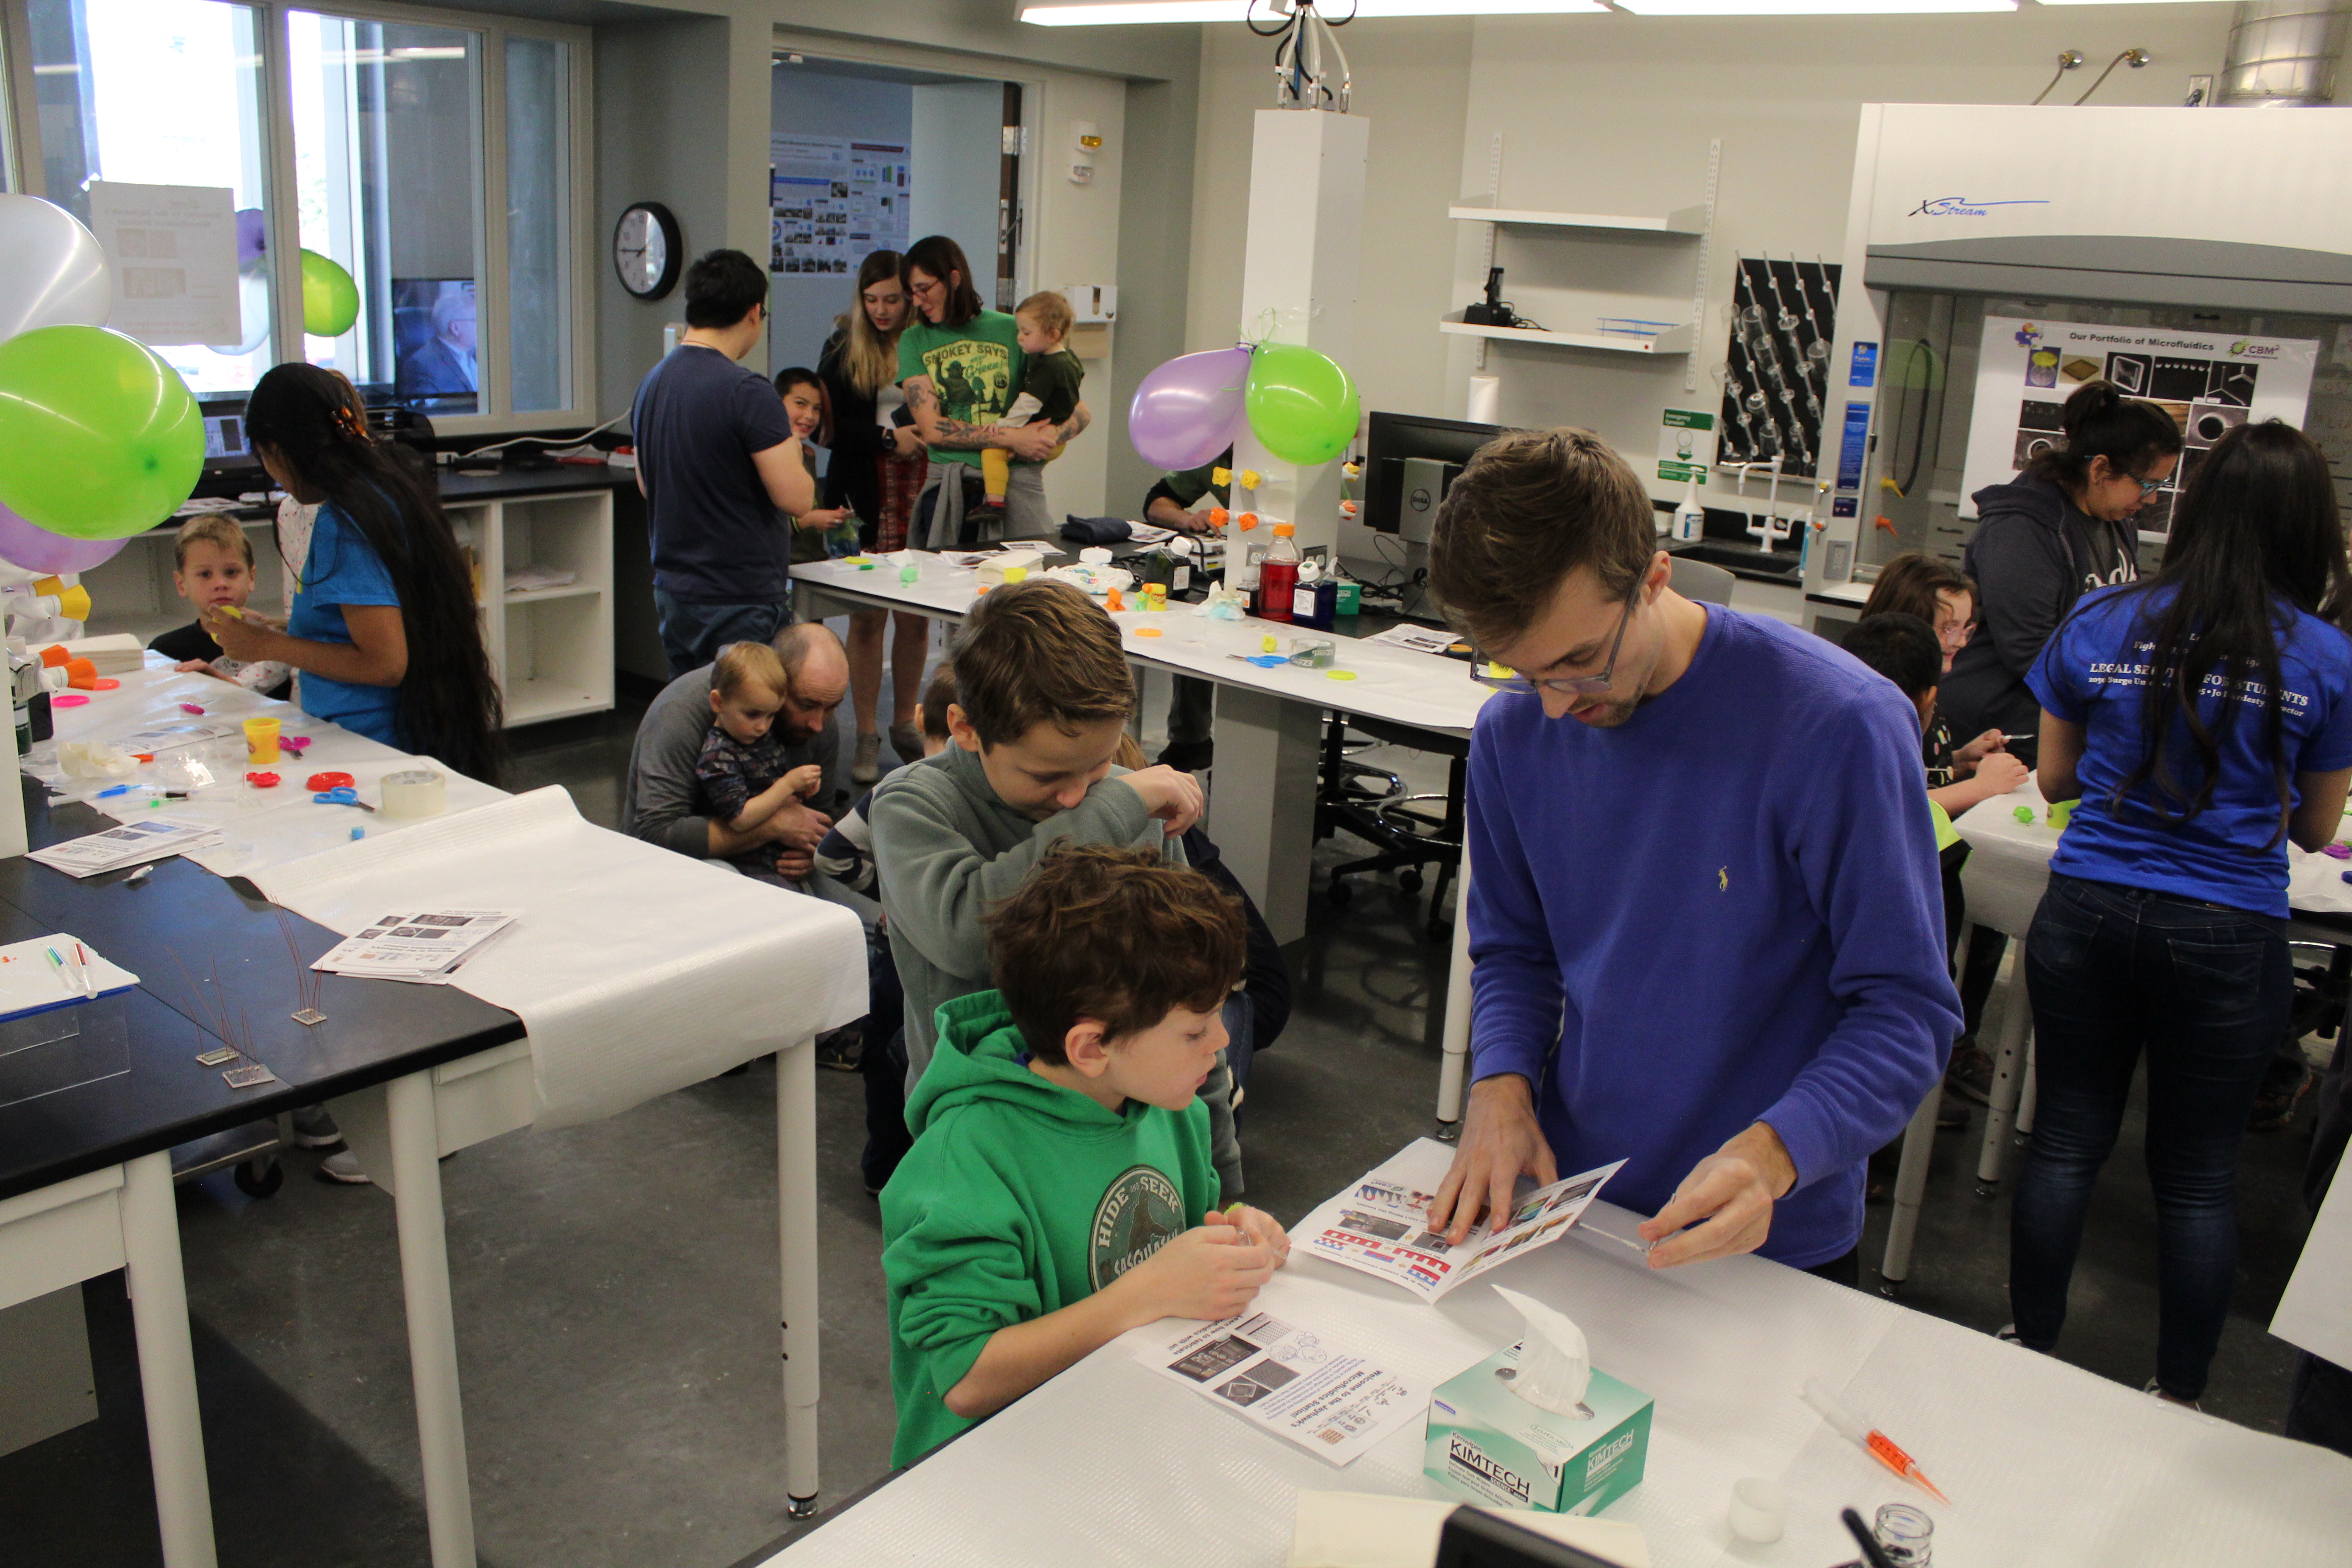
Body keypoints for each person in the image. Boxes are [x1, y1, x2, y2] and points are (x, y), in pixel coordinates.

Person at [1421, 428, 1960, 1284]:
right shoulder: (1511, 736)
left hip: (1765, 1233)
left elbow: (1906, 1010)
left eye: (1579, 663)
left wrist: (1777, 1150)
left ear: (1654, 578)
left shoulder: (1837, 725)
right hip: (1572, 1196)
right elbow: (1516, 953)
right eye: (1523, 674)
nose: (1557, 707)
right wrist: (1501, 1082)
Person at [2005, 420, 2352, 1409]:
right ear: (2308, 531)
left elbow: (2059, 776)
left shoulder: (2105, 620)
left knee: (2067, 1138)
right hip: (2226, 927)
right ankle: (2181, 1395)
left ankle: (2025, 1347)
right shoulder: (2326, 656)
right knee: (2198, 1177)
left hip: (2089, 908)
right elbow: (2319, 826)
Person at [880, 843, 1288, 1465]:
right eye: (1196, 1029)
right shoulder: (965, 1161)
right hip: (993, 1477)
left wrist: (1231, 1232)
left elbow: (1183, 1233)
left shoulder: (1159, 1104)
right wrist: (1143, 1296)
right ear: (1091, 1047)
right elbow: (966, 1378)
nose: (1224, 1041)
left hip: (1121, 1433)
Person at [867, 579, 1245, 1198]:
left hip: (1133, 1136)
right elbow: (969, 935)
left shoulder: (1130, 805)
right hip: (987, 1147)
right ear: (963, 728)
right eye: (1046, 775)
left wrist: (1224, 1184)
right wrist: (1119, 802)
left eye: (1096, 768)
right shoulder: (914, 805)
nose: (1075, 797)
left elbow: (1192, 1009)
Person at [204, 362, 503, 782]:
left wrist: (266, 644)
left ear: (276, 449)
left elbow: (384, 663)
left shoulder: (343, 522)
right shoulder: (389, 487)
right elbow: (378, 620)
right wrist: (285, 628)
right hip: (411, 733)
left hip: (370, 746)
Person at [1861, 552, 2031, 1111]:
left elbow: (1918, 771)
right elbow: (1886, 803)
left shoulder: (1921, 696)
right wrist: (1976, 788)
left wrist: (1961, 759)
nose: (1959, 641)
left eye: (1967, 627)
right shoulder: (1880, 699)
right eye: (1947, 627)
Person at [1941, 381, 2182, 765]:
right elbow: (2031, 653)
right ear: (2100, 468)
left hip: (2064, 714)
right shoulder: (2021, 530)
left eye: (2161, 485)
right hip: (2000, 725)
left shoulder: (2115, 519)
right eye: (2147, 484)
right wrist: (2120, 701)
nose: (2151, 499)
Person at [629, 249, 816, 678]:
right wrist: (788, 438)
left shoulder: (652, 383)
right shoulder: (747, 391)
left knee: (695, 717)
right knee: (746, 731)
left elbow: (647, 484)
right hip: (739, 598)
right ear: (754, 313)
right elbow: (798, 499)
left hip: (675, 593)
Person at [816, 664, 958, 1194]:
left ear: (919, 719)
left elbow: (833, 856)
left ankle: (884, 1168)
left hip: (895, 947)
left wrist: (894, 896)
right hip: (930, 954)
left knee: (883, 1058)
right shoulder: (964, 792)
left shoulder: (898, 788)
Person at [818, 252, 933, 784]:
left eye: (893, 299)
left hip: (920, 483)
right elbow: (829, 425)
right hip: (865, 486)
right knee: (866, 617)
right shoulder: (844, 345)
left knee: (916, 613)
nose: (882, 310)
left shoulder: (927, 341)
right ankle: (866, 733)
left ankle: (904, 724)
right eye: (872, 300)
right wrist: (890, 437)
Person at [622, 622, 847, 888]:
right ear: (777, 680)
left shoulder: (816, 715)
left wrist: (810, 850)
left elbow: (820, 811)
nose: (818, 724)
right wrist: (773, 826)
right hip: (676, 863)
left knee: (859, 912)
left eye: (832, 707)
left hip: (769, 856)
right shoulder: (680, 713)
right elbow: (657, 834)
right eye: (806, 705)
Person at [898, 235, 1088, 548]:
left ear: (954, 279)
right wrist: (1014, 438)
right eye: (911, 293)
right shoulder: (914, 340)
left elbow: (1079, 412)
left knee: (1026, 590)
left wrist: (1049, 437)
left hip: (1018, 487)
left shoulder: (1015, 330)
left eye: (923, 289)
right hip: (950, 487)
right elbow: (932, 430)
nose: (917, 302)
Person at [695, 640, 827, 886]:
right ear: (718, 703)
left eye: (771, 715)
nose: (762, 726)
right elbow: (740, 818)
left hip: (775, 855)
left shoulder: (762, 737)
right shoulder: (718, 756)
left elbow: (769, 786)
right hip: (748, 863)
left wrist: (799, 791)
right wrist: (788, 785)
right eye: (753, 715)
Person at [1141, 448, 1232, 772]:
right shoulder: (1213, 457)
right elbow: (1155, 502)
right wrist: (1187, 519)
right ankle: (1191, 740)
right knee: (1195, 629)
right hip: (1233, 569)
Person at [971, 291, 1083, 526]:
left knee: (993, 451)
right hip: (1056, 435)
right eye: (1018, 332)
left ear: (1053, 334)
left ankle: (994, 502)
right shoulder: (1069, 358)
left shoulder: (1048, 367)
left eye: (1026, 332)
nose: (1020, 338)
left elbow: (1028, 404)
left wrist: (1003, 425)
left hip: (1044, 434)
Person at [151, 515, 290, 699]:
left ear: (251, 578)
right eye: (205, 574)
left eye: (231, 572)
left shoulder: (280, 641)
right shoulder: (164, 651)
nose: (220, 584)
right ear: (181, 584)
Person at [772, 366, 849, 564]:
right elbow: (761, 530)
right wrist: (810, 521)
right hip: (785, 568)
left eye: (817, 409)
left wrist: (832, 518)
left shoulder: (808, 454)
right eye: (801, 404)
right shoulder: (767, 457)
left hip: (813, 565)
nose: (810, 415)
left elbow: (811, 508)